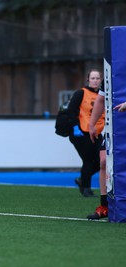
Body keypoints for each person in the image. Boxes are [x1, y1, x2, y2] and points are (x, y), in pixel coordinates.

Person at [68, 69, 104, 197]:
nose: (95, 81)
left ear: (101, 80)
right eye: (93, 78)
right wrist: (75, 127)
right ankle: (87, 189)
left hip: (98, 132)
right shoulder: (81, 93)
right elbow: (71, 110)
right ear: (88, 80)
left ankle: (82, 179)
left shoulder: (103, 94)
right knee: (88, 160)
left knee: (102, 161)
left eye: (97, 78)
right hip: (82, 133)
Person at [88, 82, 108, 219]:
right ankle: (104, 206)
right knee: (104, 163)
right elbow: (101, 99)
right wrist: (92, 124)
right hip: (113, 128)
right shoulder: (111, 74)